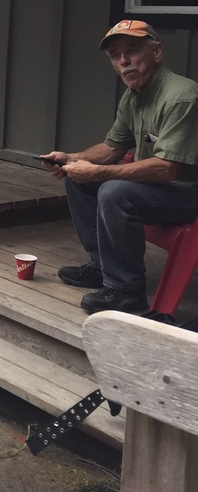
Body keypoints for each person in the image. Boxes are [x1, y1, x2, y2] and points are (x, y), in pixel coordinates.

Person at [41, 19, 198, 314]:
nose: (124, 61)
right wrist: (71, 159)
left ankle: (126, 291)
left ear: (157, 52)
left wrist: (98, 172)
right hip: (159, 189)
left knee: (115, 191)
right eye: (115, 55)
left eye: (132, 50)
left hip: (188, 194)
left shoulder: (181, 97)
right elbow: (113, 148)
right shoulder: (134, 95)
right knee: (79, 178)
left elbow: (167, 169)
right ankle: (102, 267)